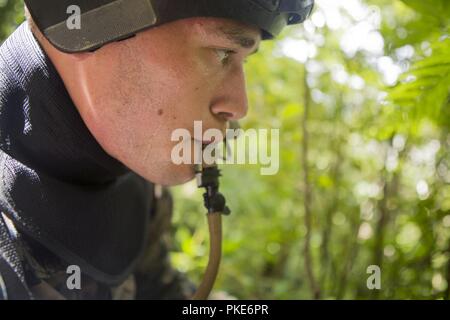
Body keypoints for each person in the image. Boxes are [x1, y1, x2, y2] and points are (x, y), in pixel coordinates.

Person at [0, 0, 313, 300]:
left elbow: (160, 289)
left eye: (242, 61)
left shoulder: (138, 186)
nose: (239, 107)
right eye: (221, 52)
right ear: (93, 17)